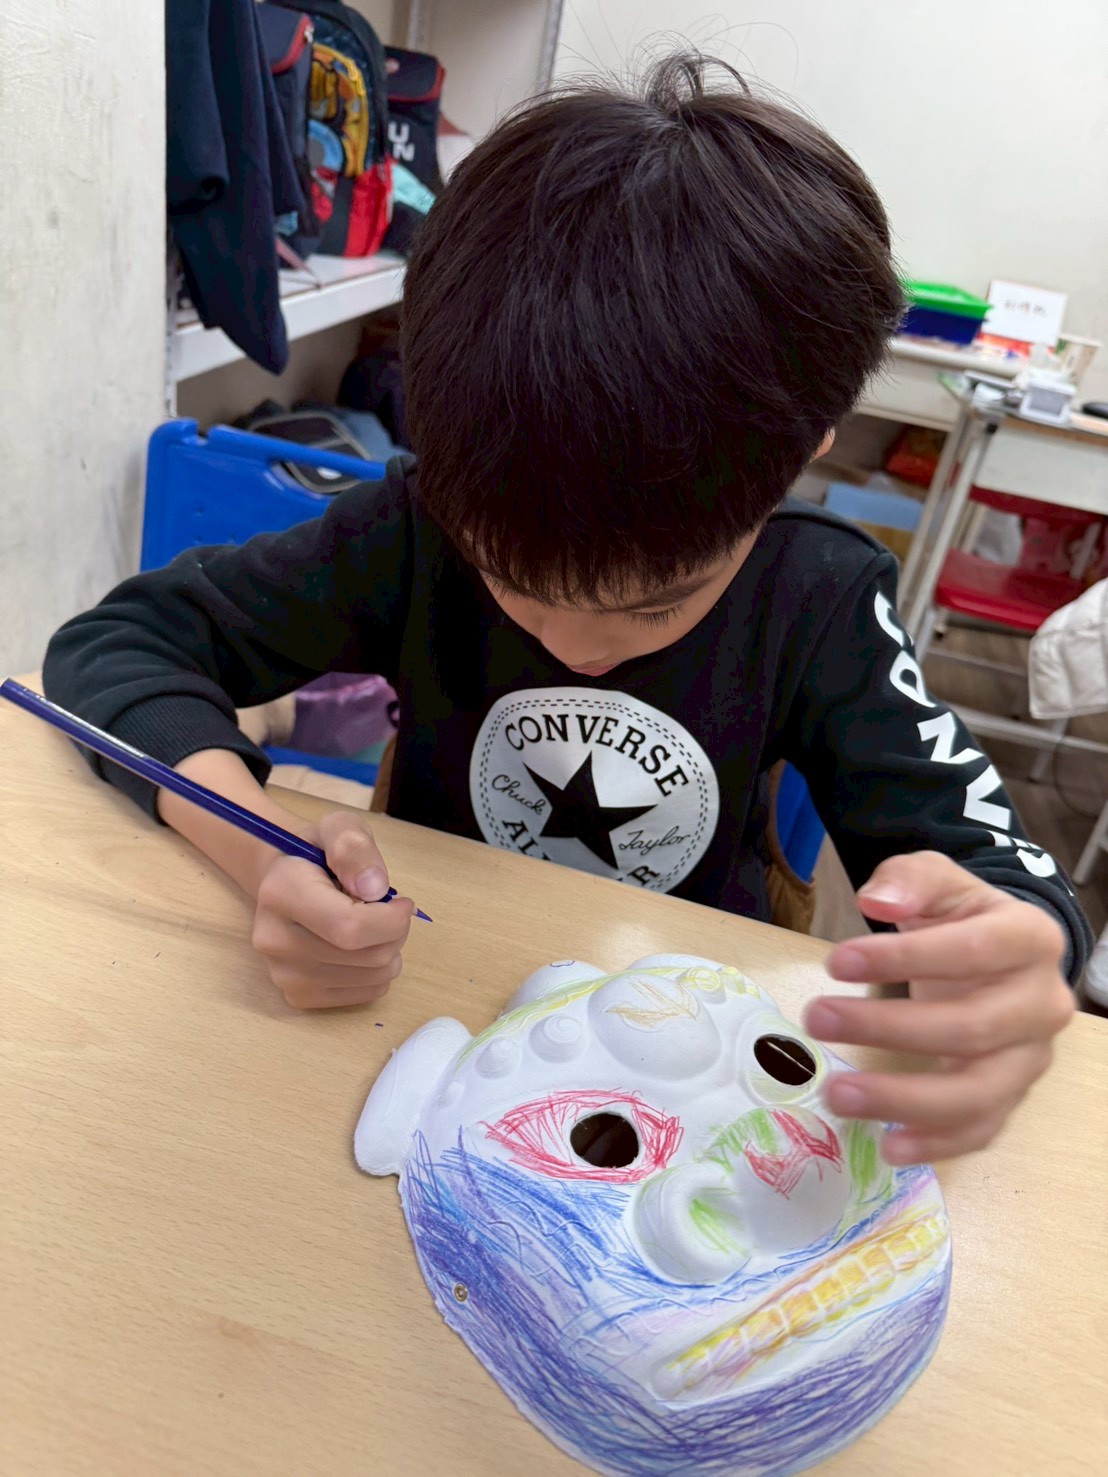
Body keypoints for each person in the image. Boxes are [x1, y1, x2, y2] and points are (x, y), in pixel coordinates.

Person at [44, 55, 1089, 1165]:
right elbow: (117, 646)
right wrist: (260, 850)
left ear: (804, 453)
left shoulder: (820, 597)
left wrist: (1017, 955)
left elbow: (1009, 887)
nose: (574, 645)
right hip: (426, 1017)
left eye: (657, 605)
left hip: (694, 1069)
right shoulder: (414, 528)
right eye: (512, 582)